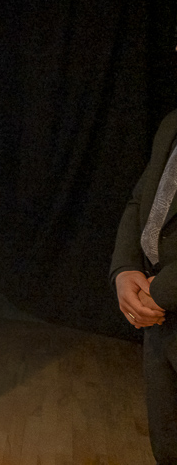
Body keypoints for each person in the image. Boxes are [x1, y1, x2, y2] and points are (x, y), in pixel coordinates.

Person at [112, 108, 177, 465]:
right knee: (166, 448)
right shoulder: (171, 121)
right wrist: (124, 270)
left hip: (159, 299)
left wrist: (158, 291)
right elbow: (141, 200)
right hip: (159, 323)